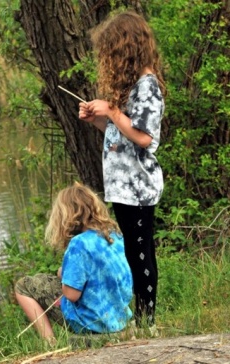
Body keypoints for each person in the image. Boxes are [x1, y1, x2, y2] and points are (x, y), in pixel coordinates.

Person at [78, 10, 165, 329]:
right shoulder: (131, 87)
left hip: (139, 187)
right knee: (132, 250)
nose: (108, 59)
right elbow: (121, 135)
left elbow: (143, 137)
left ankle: (148, 321)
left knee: (140, 253)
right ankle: (141, 318)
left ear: (126, 48)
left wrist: (111, 110)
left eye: (111, 51)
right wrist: (98, 119)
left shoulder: (147, 86)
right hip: (123, 188)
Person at [15, 182, 133, 343]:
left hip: (91, 323)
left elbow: (71, 295)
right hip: (118, 318)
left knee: (23, 286)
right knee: (59, 274)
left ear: (66, 215)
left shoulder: (79, 244)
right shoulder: (115, 235)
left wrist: (64, 284)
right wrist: (64, 273)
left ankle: (49, 343)